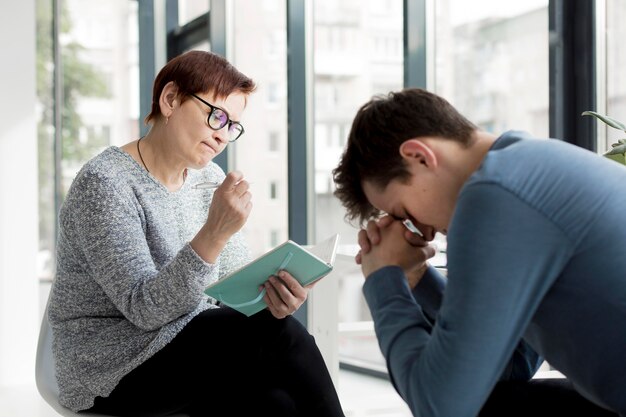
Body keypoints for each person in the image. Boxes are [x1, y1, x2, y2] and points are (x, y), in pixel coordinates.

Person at [47, 50, 345, 417]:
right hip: (109, 367)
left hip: (188, 346)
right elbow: (144, 310)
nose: (222, 137)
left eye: (232, 126)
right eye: (216, 116)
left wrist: (274, 293)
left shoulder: (210, 181)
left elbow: (233, 290)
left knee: (276, 403)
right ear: (170, 99)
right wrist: (214, 232)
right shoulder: (105, 184)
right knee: (279, 334)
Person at [332, 88, 626, 417]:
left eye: (404, 213)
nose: (421, 231)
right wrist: (415, 277)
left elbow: (440, 407)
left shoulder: (494, 197)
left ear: (419, 156)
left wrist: (383, 279)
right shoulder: (523, 167)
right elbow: (510, 365)